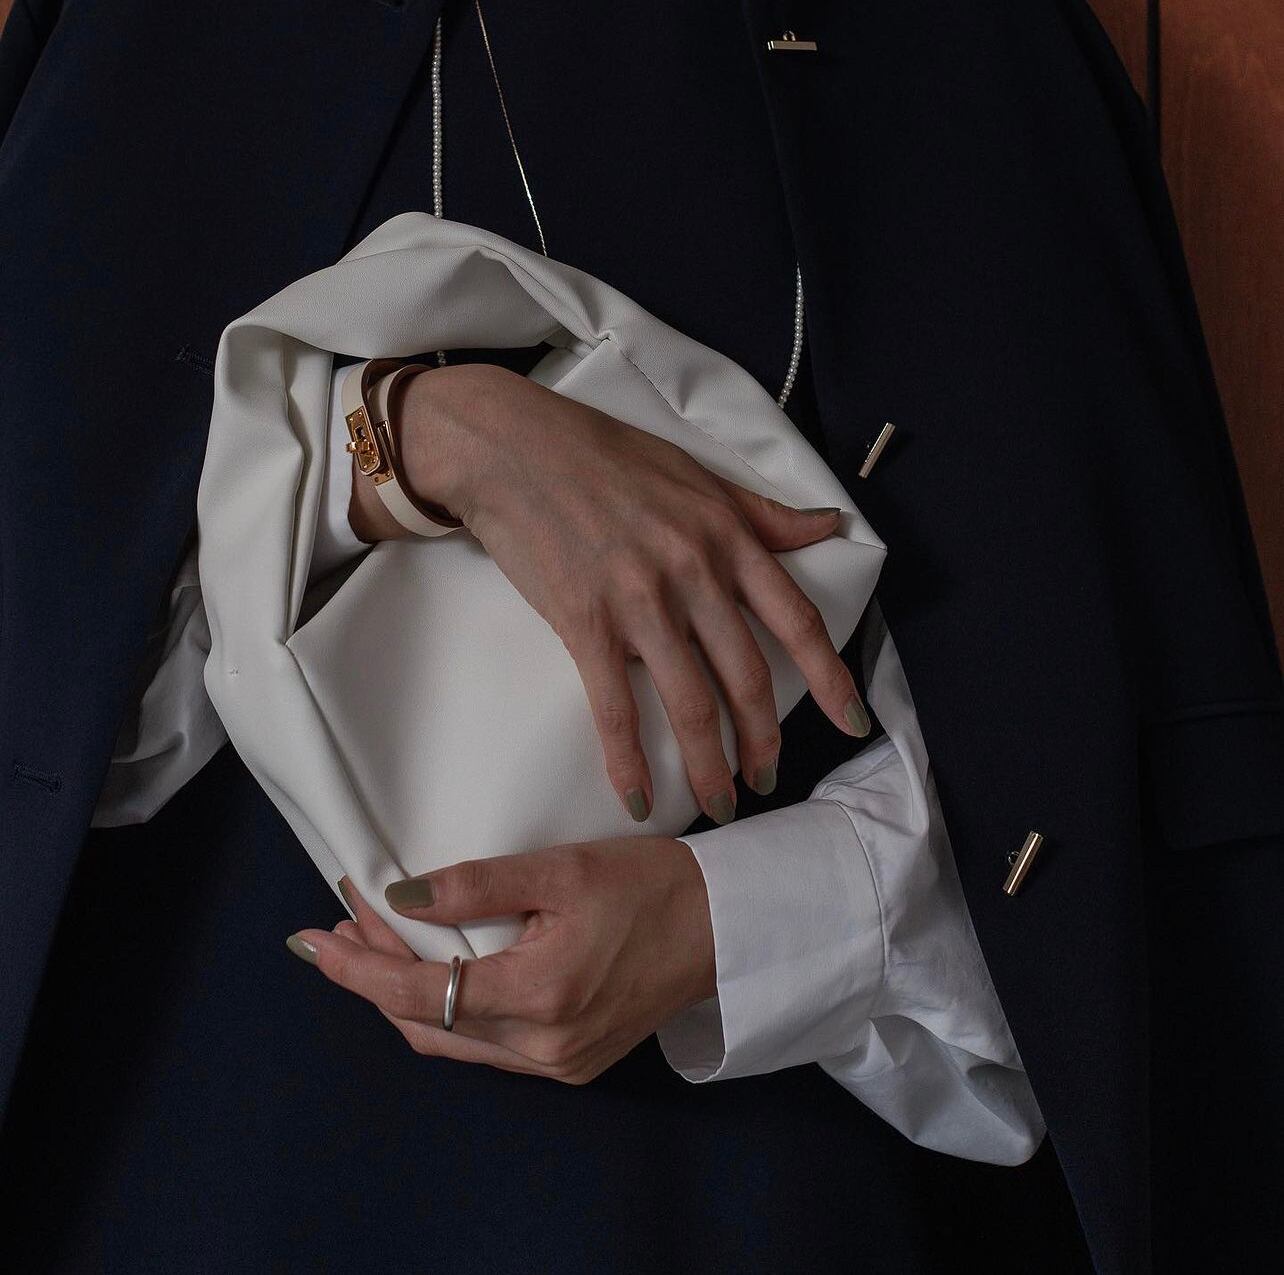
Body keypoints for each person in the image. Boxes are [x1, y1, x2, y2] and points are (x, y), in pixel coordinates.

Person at [1, 3, 1280, 1273]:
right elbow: (47, 634)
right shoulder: (148, 39)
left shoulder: (964, 46)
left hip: (763, 1167)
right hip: (202, 1132)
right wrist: (412, 440)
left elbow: (1099, 707)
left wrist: (731, 923)